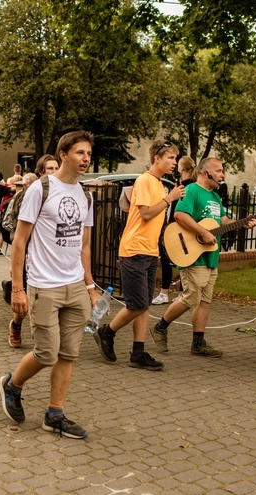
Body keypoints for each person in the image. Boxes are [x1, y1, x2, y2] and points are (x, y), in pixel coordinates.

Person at [0, 130, 97, 439]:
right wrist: (18, 288)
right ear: (64, 154)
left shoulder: (86, 195)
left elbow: (85, 246)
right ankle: (12, 385)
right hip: (44, 285)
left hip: (76, 286)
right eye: (80, 153)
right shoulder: (41, 189)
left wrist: (90, 286)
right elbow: (20, 240)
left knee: (68, 353)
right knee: (46, 352)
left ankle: (55, 414)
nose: (86, 159)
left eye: (89, 154)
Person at [150, 157, 256, 357]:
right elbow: (180, 215)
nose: (222, 175)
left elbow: (222, 220)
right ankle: (160, 326)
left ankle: (198, 343)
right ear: (205, 172)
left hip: (210, 256)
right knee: (191, 298)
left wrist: (241, 222)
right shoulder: (191, 191)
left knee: (205, 301)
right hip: (192, 254)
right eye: (218, 170)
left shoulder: (215, 197)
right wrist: (203, 232)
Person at [93, 139, 185, 371]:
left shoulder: (158, 184)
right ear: (157, 159)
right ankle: (106, 332)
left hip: (148, 251)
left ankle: (138, 352)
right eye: (170, 158)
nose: (174, 162)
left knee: (143, 306)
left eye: (175, 158)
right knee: (137, 304)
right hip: (134, 250)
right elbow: (145, 214)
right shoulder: (145, 180)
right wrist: (169, 199)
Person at [152, 156, 197, 305]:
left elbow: (179, 209)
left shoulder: (187, 187)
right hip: (173, 226)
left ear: (182, 168)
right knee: (170, 259)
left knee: (174, 259)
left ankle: (170, 292)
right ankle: (174, 292)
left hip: (176, 228)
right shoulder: (182, 184)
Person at [4, 172, 39, 348]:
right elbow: (8, 224)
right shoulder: (19, 199)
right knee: (23, 301)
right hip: (25, 254)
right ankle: (16, 325)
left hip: (44, 258)